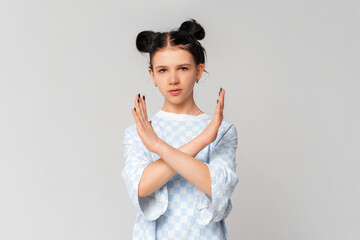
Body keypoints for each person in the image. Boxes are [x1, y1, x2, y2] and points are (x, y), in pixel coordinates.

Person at [121, 18, 239, 240]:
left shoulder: (222, 131)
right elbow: (141, 187)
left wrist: (159, 147)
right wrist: (201, 140)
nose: (173, 79)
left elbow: (217, 187)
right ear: (152, 75)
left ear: (198, 71)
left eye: (183, 68)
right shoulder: (140, 131)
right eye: (163, 70)